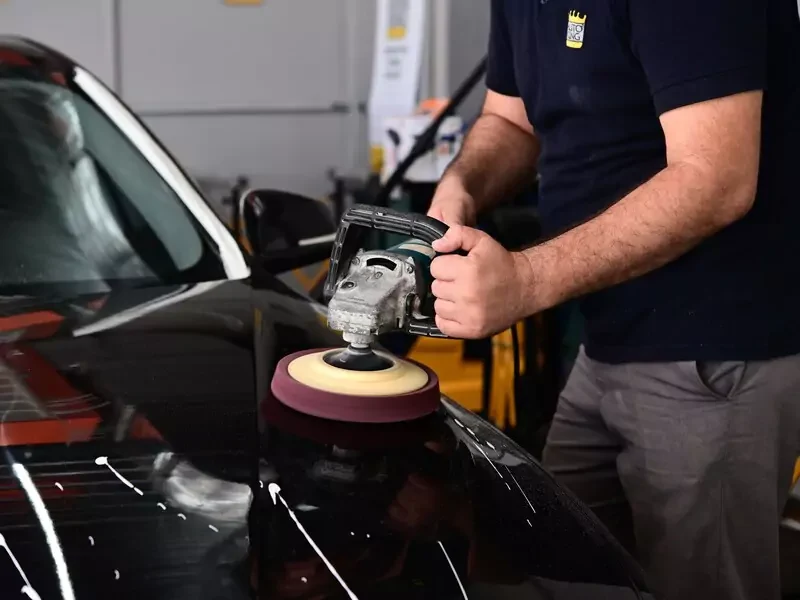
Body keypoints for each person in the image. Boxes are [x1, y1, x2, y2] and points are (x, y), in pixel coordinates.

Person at [426, 1, 800, 599]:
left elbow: (717, 178)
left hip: (710, 352)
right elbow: (511, 118)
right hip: (607, 339)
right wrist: (461, 186)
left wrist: (524, 281)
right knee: (557, 571)